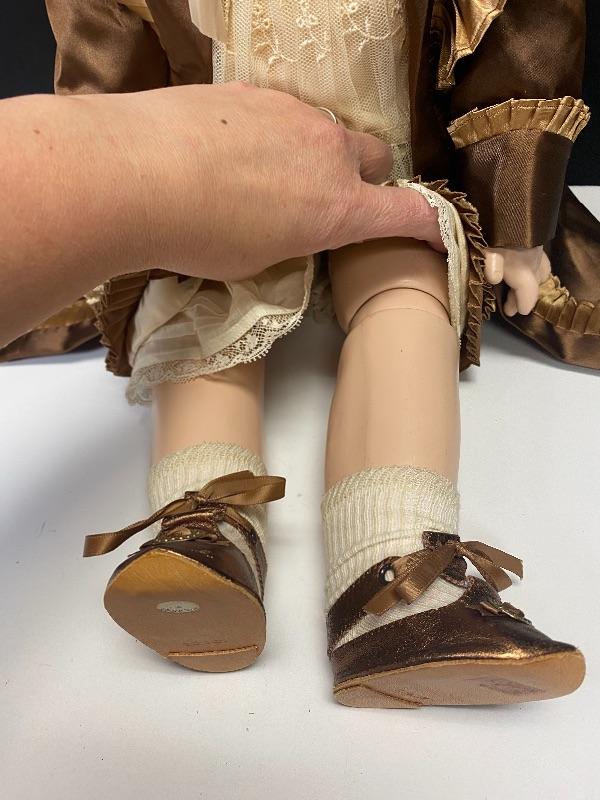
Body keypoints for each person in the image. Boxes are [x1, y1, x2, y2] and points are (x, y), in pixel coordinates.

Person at [44, 0, 591, 707]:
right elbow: (109, 60)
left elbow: (522, 32)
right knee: (200, 299)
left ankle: (396, 572)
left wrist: (515, 212)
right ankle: (206, 528)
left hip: (388, 180)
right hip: (218, 179)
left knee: (406, 297)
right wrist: (117, 201)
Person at [0, 82, 449, 347]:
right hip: (199, 247)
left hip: (384, 210)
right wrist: (147, 176)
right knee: (194, 346)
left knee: (404, 326)